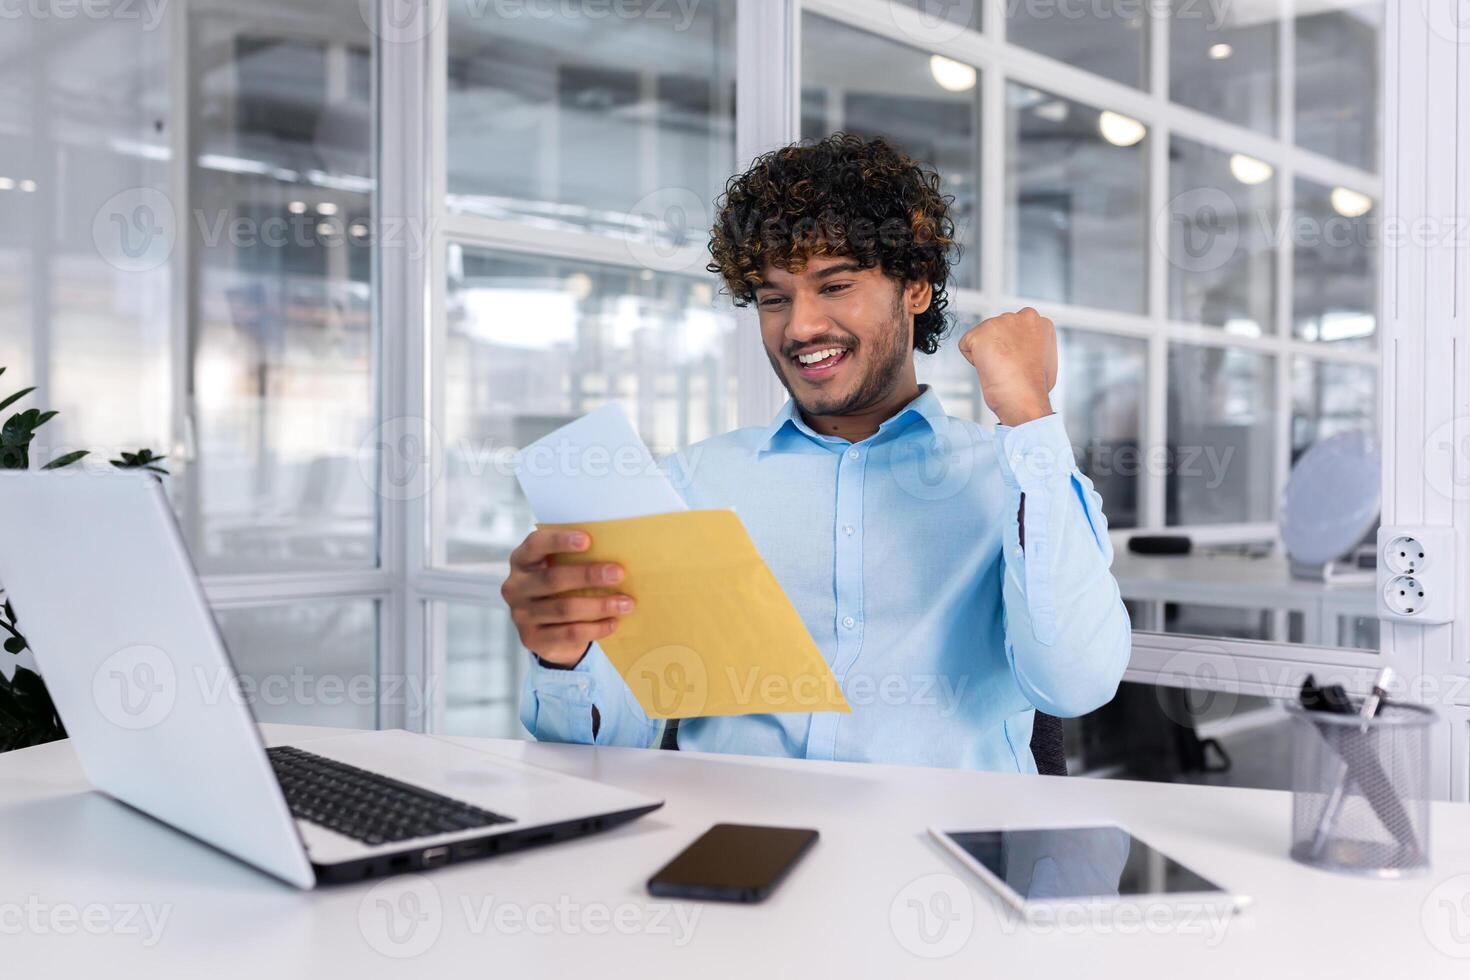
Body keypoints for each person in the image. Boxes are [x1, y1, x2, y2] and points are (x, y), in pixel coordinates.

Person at [501, 133, 1130, 773]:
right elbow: (608, 749)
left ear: (914, 288)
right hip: (734, 846)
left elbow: (1075, 684)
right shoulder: (691, 482)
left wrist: (1028, 410)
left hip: (949, 854)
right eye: (774, 298)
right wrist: (565, 656)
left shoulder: (1018, 478)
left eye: (834, 286)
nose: (799, 328)